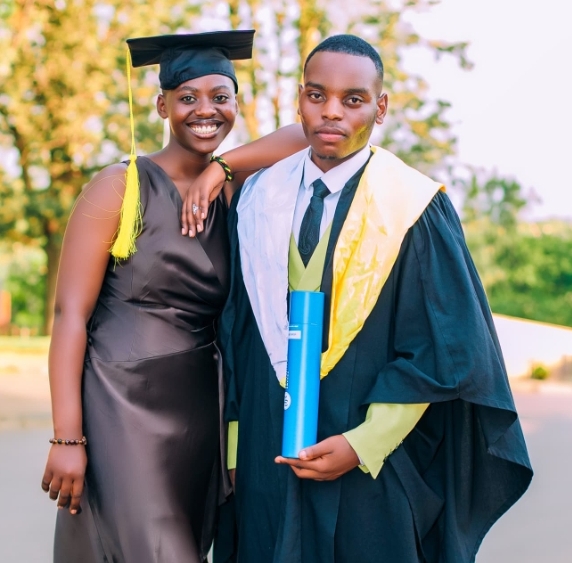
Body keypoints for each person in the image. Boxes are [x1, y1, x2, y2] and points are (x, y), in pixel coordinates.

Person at [198, 34, 533, 562]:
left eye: (353, 99)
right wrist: (237, 449)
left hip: (367, 467)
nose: (331, 112)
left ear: (380, 108)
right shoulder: (258, 197)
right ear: (300, 99)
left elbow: (445, 348)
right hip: (265, 458)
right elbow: (235, 329)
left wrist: (364, 443)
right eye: (316, 95)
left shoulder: (412, 207)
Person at [40, 30, 308, 563]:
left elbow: (310, 132)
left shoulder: (233, 191)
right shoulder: (120, 187)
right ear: (162, 106)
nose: (205, 110)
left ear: (236, 104)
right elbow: (70, 315)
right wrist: (66, 437)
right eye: (188, 97)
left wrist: (223, 168)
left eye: (220, 97)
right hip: (120, 406)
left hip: (198, 412)